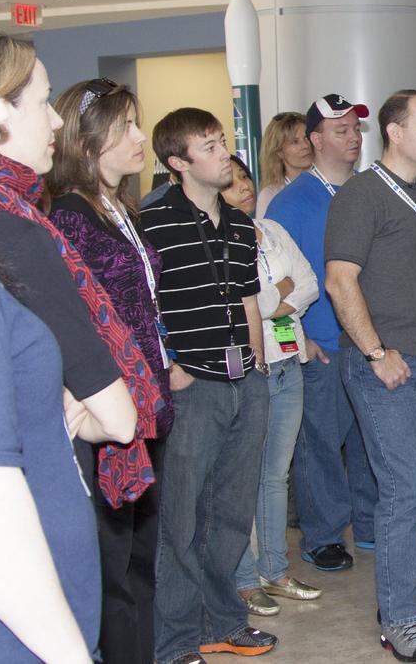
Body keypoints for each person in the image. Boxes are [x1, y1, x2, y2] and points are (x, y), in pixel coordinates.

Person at [325, 90, 416, 660]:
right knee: (403, 491)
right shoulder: (362, 197)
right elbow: (341, 280)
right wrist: (375, 352)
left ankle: (407, 595)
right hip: (390, 367)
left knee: (414, 490)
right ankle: (399, 617)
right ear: (395, 131)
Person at [0, 38, 118, 664]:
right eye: (42, 101)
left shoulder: (21, 217)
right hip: (30, 629)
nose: (54, 121)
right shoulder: (16, 226)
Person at [47, 77, 176, 664]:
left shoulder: (119, 208)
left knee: (139, 563)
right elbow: (81, 327)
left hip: (146, 406)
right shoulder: (72, 217)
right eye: (125, 126)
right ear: (88, 139)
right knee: (114, 574)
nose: (139, 137)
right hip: (108, 419)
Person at [142, 108, 275, 663]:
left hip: (247, 382)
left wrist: (260, 366)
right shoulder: (152, 222)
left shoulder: (243, 224)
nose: (225, 153)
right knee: (181, 518)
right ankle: (175, 640)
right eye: (211, 146)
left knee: (231, 513)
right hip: (192, 389)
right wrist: (168, 367)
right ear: (179, 163)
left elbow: (248, 300)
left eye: (223, 141)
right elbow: (139, 307)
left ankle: (223, 620)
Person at [267, 93, 377, 571]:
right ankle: (324, 533)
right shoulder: (291, 203)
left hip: (369, 339)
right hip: (323, 343)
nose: (352, 138)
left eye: (355, 129)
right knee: (321, 444)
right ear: (315, 139)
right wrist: (299, 335)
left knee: (372, 439)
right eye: (340, 130)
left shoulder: (371, 190)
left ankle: (371, 522)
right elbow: (274, 277)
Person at [217, 156, 324, 617]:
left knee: (275, 476)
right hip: (248, 370)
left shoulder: (273, 230)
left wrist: (273, 299)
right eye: (232, 181)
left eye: (245, 178)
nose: (242, 187)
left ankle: (275, 570)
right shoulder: (217, 239)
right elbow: (247, 303)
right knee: (240, 479)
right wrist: (275, 297)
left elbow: (309, 284)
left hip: (287, 364)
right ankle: (244, 580)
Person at [255, 111, 313, 217]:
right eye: (295, 142)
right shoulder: (270, 195)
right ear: (279, 152)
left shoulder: (325, 183)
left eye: (306, 138)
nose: (305, 145)